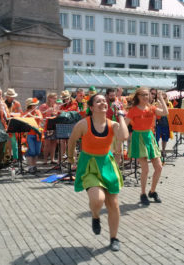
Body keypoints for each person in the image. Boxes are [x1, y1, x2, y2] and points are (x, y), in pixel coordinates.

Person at [68, 94, 129, 251]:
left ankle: (114, 238)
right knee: (98, 199)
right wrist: (70, 156)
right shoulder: (83, 124)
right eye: (98, 101)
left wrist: (121, 115)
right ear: (92, 107)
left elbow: (123, 136)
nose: (103, 102)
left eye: (104, 100)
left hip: (107, 164)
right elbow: (72, 139)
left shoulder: (113, 124)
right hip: (89, 165)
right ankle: (95, 216)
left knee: (113, 204)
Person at [125, 87, 168, 205]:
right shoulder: (133, 110)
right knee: (145, 169)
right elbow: (124, 124)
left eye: (147, 95)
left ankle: (152, 191)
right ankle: (143, 193)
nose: (145, 97)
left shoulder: (152, 108)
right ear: (138, 96)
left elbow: (165, 112)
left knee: (159, 167)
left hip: (149, 137)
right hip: (138, 138)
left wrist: (161, 99)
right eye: (143, 95)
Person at [23, 98, 43, 173]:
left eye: (35, 105)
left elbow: (41, 118)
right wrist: (29, 115)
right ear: (31, 106)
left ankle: (34, 166)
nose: (36, 106)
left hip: (38, 134)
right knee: (32, 151)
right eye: (34, 105)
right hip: (30, 134)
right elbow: (23, 121)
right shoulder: (26, 113)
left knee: (37, 151)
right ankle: (30, 166)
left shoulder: (37, 111)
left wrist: (33, 116)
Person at [3, 88, 22, 164]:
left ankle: (15, 159)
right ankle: (4, 159)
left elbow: (21, 113)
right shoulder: (3, 103)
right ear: (7, 96)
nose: (12, 98)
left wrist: (13, 115)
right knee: (4, 143)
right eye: (10, 96)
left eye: (13, 96)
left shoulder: (17, 103)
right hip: (4, 125)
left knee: (14, 142)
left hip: (13, 125)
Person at [39, 93, 58, 164]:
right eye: (54, 98)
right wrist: (47, 112)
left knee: (54, 143)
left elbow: (57, 114)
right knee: (47, 144)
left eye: (56, 98)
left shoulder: (56, 106)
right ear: (49, 98)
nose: (55, 100)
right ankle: (45, 160)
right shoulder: (44, 106)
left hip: (54, 125)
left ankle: (52, 159)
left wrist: (56, 114)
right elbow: (40, 114)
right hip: (47, 126)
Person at [156, 92, 173, 158]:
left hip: (166, 124)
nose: (162, 96)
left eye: (163, 95)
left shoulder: (169, 103)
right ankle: (157, 151)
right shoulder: (156, 103)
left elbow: (171, 112)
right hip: (158, 123)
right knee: (156, 138)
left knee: (165, 139)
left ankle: (163, 151)